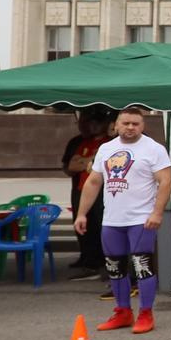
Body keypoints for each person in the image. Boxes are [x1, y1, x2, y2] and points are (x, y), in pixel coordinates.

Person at [74, 107, 171, 333]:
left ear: (143, 125)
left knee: (142, 267)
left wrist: (157, 212)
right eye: (126, 123)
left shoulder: (154, 149)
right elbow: (93, 182)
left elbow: (165, 182)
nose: (130, 127)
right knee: (115, 267)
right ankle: (123, 311)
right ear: (116, 125)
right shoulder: (106, 149)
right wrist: (81, 213)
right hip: (112, 220)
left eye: (135, 124)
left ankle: (146, 313)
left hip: (141, 219)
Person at [64, 109, 110, 278]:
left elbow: (98, 165)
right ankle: (88, 260)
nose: (92, 126)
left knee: (100, 226)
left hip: (102, 192)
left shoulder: (109, 143)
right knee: (84, 226)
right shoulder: (82, 142)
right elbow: (72, 166)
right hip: (82, 190)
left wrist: (87, 162)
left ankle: (102, 262)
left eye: (95, 123)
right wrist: (89, 161)